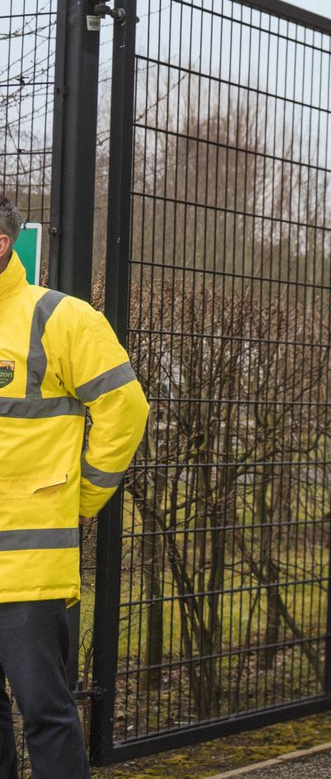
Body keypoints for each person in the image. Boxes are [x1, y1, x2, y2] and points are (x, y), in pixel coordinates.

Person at [0, 195, 149, 778]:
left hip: (30, 569)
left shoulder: (60, 317)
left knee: (45, 713)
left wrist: (81, 498)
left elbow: (124, 407)